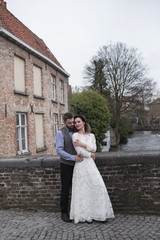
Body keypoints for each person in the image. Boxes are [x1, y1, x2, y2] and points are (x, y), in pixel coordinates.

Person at [70, 114, 115, 224]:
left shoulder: (91, 136)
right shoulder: (75, 135)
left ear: (84, 122)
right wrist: (89, 154)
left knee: (97, 186)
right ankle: (86, 215)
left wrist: (83, 144)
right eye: (75, 122)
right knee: (83, 188)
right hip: (81, 164)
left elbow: (94, 148)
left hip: (90, 165)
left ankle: (99, 213)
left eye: (79, 121)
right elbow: (79, 151)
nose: (77, 124)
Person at [55, 112, 83, 222]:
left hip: (79, 164)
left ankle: (78, 211)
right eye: (69, 123)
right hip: (66, 165)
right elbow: (59, 150)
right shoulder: (60, 133)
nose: (72, 124)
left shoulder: (78, 131)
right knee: (66, 189)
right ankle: (64, 212)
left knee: (79, 188)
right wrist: (73, 157)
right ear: (64, 122)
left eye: (73, 122)